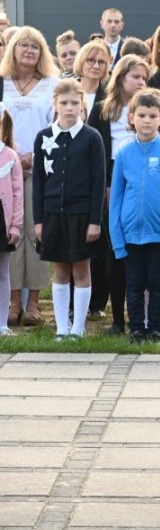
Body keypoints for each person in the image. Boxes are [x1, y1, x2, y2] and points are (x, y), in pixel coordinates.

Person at [109, 88, 160, 343]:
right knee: (134, 284)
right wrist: (117, 238)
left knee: (157, 283)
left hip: (159, 235)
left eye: (153, 115)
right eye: (142, 115)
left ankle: (155, 329)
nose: (147, 121)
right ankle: (137, 329)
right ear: (132, 118)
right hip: (130, 235)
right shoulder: (124, 154)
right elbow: (116, 198)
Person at [32, 79, 105, 340]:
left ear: (82, 104)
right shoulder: (43, 137)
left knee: (81, 270)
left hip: (82, 215)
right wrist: (38, 220)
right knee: (60, 270)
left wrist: (94, 221)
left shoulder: (91, 137)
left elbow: (98, 183)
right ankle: (62, 328)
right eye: (64, 103)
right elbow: (39, 182)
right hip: (52, 215)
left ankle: (78, 328)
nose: (69, 108)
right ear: (55, 104)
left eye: (75, 103)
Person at [87, 54, 151, 335]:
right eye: (135, 76)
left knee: (143, 251)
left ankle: (145, 316)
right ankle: (116, 319)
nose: (140, 82)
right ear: (121, 77)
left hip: (143, 180)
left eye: (144, 78)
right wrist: (105, 185)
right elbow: (94, 150)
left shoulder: (147, 106)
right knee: (115, 251)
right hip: (111, 179)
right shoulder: (105, 108)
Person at [1, 26, 59, 327]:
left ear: (42, 52)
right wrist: (10, 154)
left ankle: (34, 303)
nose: (28, 50)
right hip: (3, 169)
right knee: (9, 234)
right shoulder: (2, 83)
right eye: (22, 44)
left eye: (35, 46)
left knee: (36, 233)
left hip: (40, 168)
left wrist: (33, 156)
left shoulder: (52, 84)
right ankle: (12, 302)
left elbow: (57, 128)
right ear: (12, 49)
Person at [0, 104, 22, 336]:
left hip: (2, 220)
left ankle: (2, 323)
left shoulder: (10, 156)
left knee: (3, 272)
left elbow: (17, 195)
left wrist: (15, 225)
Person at [73, 41, 110, 113]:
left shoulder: (110, 97)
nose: (96, 66)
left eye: (101, 62)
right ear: (80, 61)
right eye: (91, 60)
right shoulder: (67, 92)